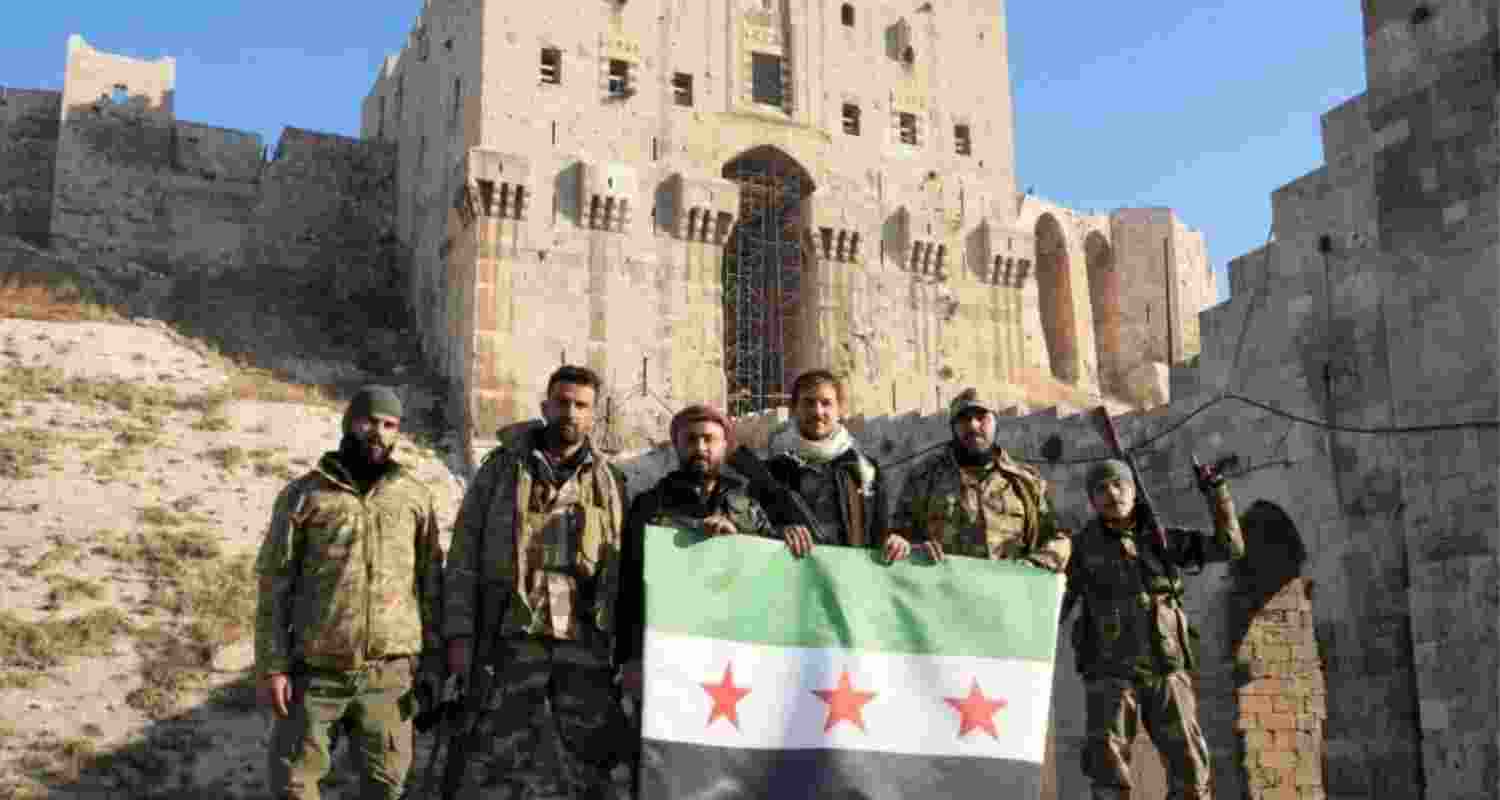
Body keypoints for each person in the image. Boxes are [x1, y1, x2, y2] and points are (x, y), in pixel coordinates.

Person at [443, 365, 631, 799]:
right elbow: (464, 556)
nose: (570, 413)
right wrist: (459, 635)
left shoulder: (611, 482)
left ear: (593, 414)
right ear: (545, 406)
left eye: (580, 406)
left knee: (594, 766)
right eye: (562, 402)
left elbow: (622, 567)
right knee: (492, 764)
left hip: (583, 642)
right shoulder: (501, 471)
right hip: (510, 638)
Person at [254, 385, 445, 800]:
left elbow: (432, 583)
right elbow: (275, 583)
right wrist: (274, 665)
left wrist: (433, 662)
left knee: (386, 785)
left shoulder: (414, 496)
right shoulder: (305, 495)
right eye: (368, 421)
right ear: (348, 423)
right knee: (294, 785)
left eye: (389, 424)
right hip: (317, 671)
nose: (378, 432)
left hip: (389, 675)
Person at [1065, 457, 1244, 800]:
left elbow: (1230, 548)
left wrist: (1216, 492)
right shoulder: (1081, 549)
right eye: (1101, 489)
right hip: (1110, 675)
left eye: (1119, 485)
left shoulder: (1162, 538)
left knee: (1191, 768)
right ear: (1092, 501)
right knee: (1107, 771)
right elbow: (1055, 605)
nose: (1111, 493)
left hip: (1166, 669)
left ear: (1134, 491)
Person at [614, 404, 775, 690]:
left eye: (709, 439)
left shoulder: (748, 508)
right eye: (690, 439)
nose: (700, 447)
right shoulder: (650, 505)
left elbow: (773, 577)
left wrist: (737, 542)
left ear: (724, 446)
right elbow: (629, 584)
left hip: (733, 651)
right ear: (676, 446)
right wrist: (630, 658)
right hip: (667, 650)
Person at [884, 388, 1071, 570]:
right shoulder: (924, 478)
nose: (973, 425)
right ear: (953, 428)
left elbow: (1058, 540)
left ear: (995, 422)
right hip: (943, 595)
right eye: (964, 418)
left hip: (1008, 597)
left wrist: (1031, 566)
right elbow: (899, 535)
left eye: (981, 417)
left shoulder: (1026, 483)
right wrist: (907, 547)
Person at [757, 369, 891, 559]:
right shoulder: (772, 473)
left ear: (840, 410)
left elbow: (881, 535)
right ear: (795, 408)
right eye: (808, 403)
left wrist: (896, 543)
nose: (817, 412)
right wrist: (780, 532)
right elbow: (753, 531)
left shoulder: (866, 470)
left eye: (826, 403)